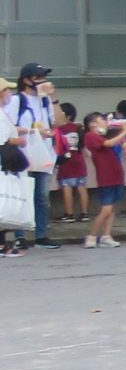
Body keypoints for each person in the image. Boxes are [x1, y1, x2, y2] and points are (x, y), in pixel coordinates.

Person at [6, 62, 58, 249]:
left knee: (42, 197)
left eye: (44, 76)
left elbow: (57, 122)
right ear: (27, 80)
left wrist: (53, 98)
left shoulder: (45, 101)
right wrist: (32, 132)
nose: (43, 80)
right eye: (38, 77)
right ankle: (20, 235)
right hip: (23, 154)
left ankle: (41, 234)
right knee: (24, 194)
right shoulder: (17, 100)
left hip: (44, 154)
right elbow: (8, 127)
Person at [81, 110, 126, 248]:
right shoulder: (90, 136)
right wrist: (124, 131)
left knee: (112, 209)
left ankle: (107, 235)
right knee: (106, 209)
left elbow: (112, 146)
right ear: (92, 123)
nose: (105, 122)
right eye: (101, 119)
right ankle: (92, 236)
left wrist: (122, 141)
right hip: (106, 178)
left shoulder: (101, 137)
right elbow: (108, 144)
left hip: (116, 175)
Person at [52, 100, 87, 225]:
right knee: (81, 187)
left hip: (65, 161)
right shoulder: (78, 129)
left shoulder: (59, 129)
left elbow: (56, 146)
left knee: (67, 188)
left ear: (67, 116)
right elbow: (82, 145)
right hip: (79, 159)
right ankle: (84, 213)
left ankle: (69, 214)